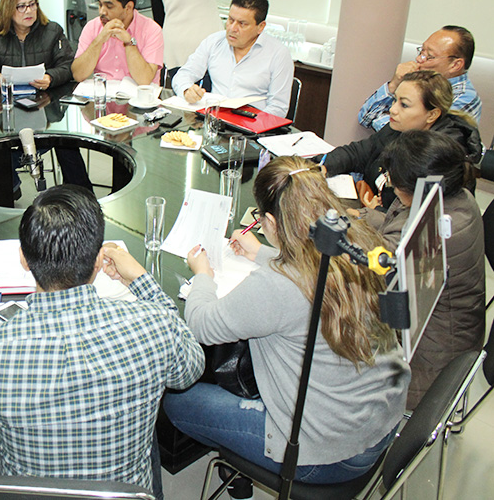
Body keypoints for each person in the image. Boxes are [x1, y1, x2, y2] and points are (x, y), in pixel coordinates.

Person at [165, 156, 410, 497]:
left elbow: (202, 325)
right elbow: (312, 271)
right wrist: (261, 253)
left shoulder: (277, 285)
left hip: (326, 453)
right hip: (380, 422)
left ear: (270, 221)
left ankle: (243, 453)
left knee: (178, 402)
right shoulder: (360, 242)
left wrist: (203, 275)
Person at [0, 185, 203, 491]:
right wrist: (141, 280)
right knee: (145, 422)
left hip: (31, 496)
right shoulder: (155, 325)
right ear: (100, 260)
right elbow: (190, 369)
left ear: (24, 258)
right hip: (124, 495)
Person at [366, 131, 484, 408]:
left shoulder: (431, 232)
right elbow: (393, 226)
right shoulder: (456, 196)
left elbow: (372, 271)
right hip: (449, 336)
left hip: (425, 363)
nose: (390, 184)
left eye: (393, 180)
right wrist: (358, 217)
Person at [324, 70, 482, 209]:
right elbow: (358, 152)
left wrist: (376, 212)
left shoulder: (438, 156)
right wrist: (322, 166)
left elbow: (414, 216)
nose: (393, 109)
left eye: (404, 105)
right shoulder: (400, 127)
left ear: (432, 115)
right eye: (395, 100)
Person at [172, 0, 294, 117]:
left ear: (260, 27)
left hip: (252, 122)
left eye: (242, 24)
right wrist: (186, 90)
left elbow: (278, 109)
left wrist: (252, 123)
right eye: (230, 20)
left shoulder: (278, 54)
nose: (232, 28)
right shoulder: (214, 42)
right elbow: (183, 74)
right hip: (214, 119)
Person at [358, 26, 480, 131]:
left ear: (455, 65)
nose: (419, 59)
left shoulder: (464, 98)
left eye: (430, 56)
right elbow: (366, 117)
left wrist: (383, 117)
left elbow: (417, 140)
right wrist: (394, 84)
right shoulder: (417, 82)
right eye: (422, 51)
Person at [72, 0, 164, 85]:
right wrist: (99, 40)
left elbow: (144, 80)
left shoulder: (151, 30)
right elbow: (78, 75)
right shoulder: (92, 27)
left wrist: (129, 42)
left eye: (109, 6)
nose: (102, 12)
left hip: (137, 94)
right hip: (104, 92)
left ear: (128, 7)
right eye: (100, 4)